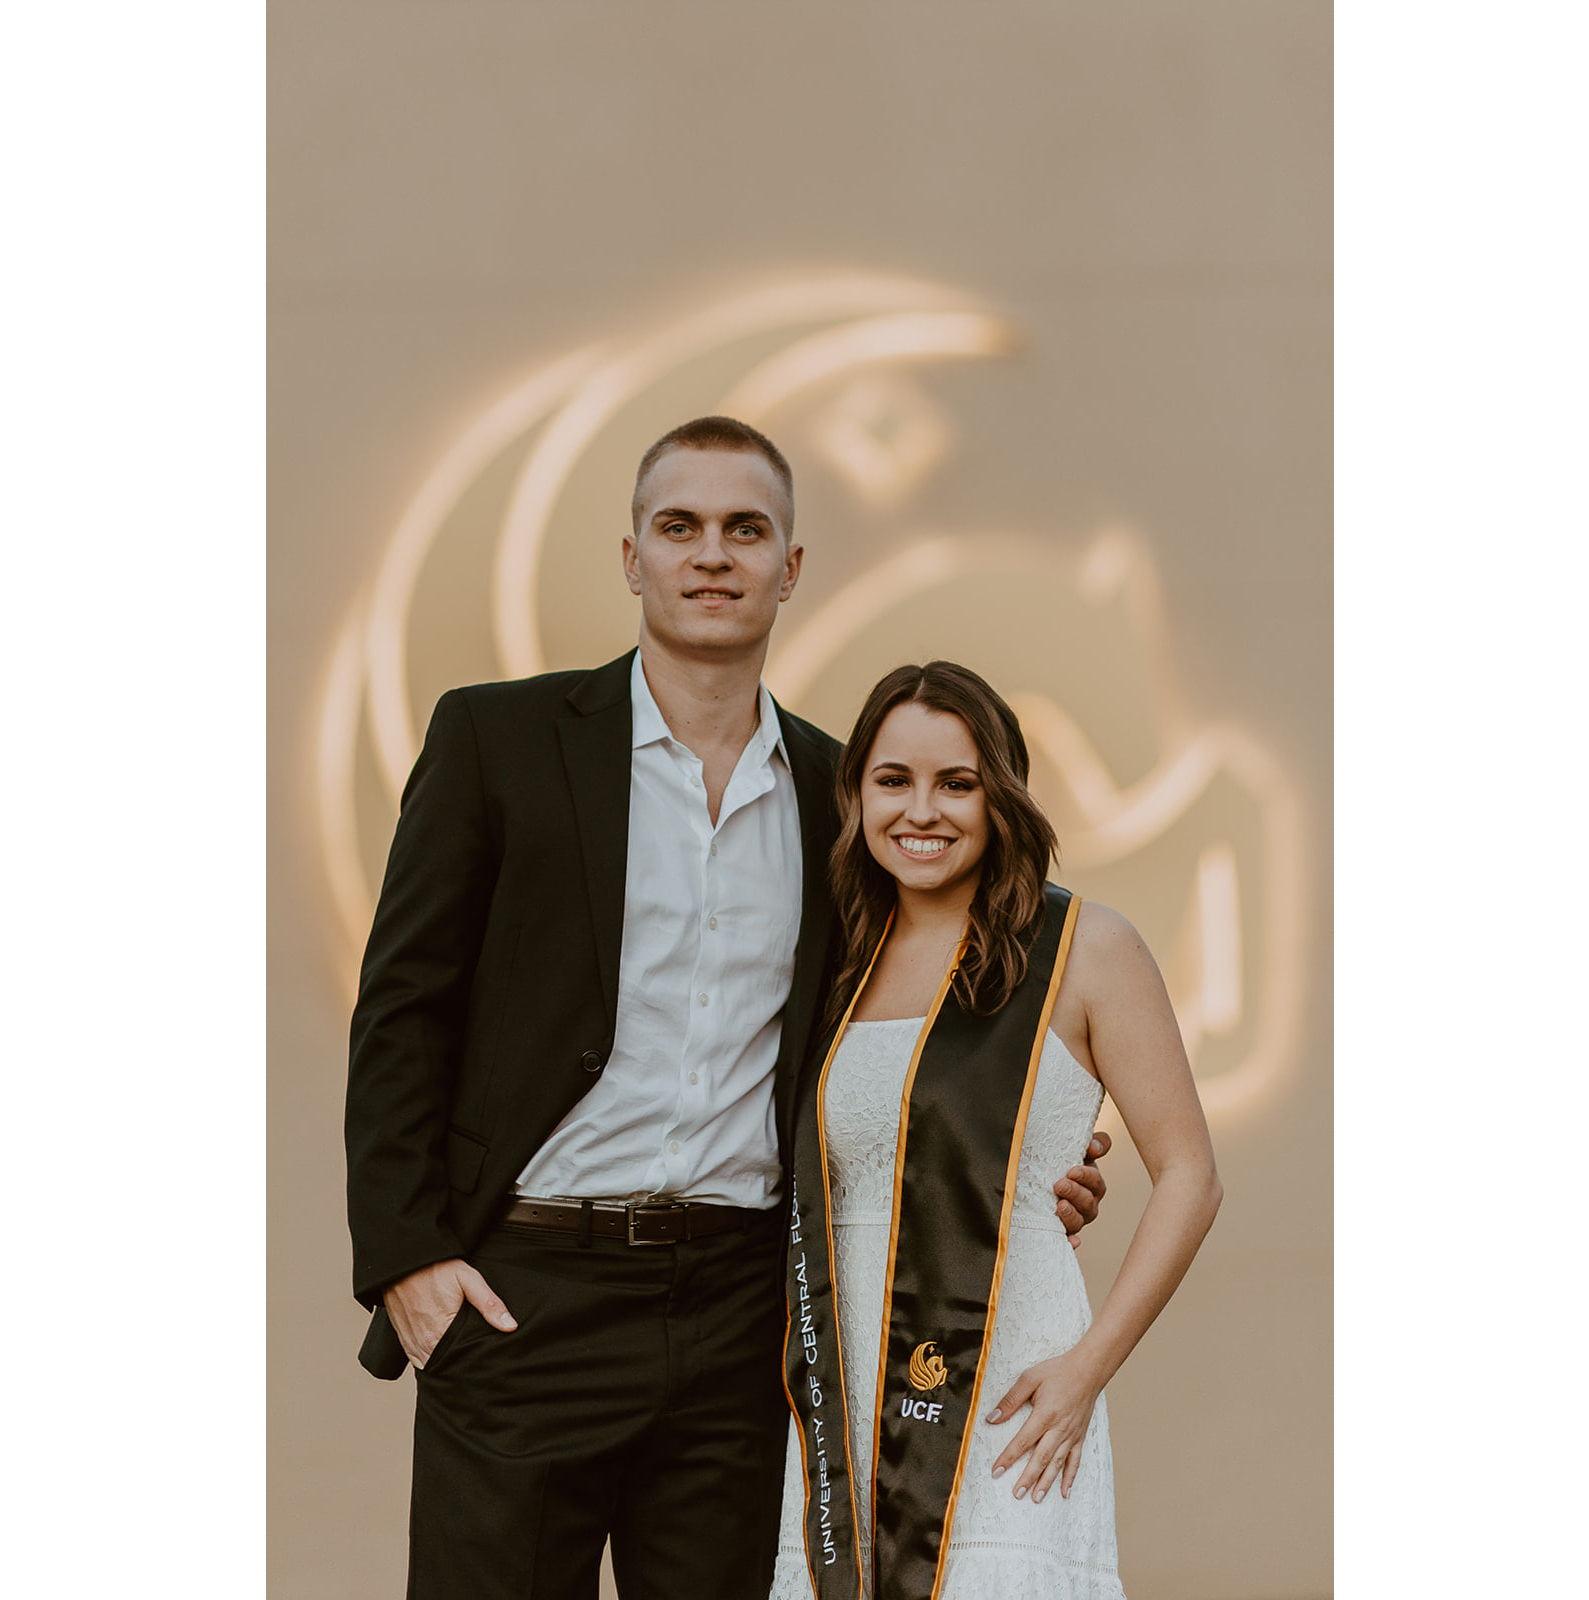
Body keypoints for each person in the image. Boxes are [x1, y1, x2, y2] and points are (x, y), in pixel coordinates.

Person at [343, 415, 1113, 1599]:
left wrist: (1029, 1144)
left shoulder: (837, 795)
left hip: (741, 1317)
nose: (712, 553)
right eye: (680, 526)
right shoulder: (498, 741)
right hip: (522, 1297)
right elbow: (403, 1010)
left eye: (745, 529)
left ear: (789, 566)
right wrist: (411, 1258)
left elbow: (910, 1015)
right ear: (632, 556)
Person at [769, 662, 1224, 1600]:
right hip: (838, 1387)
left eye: (957, 783)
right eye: (893, 780)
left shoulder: (1085, 947)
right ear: (856, 795)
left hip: (1012, 1384)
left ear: (1001, 797)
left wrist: (1087, 1370)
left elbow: (1190, 1175)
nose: (921, 811)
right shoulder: (838, 959)